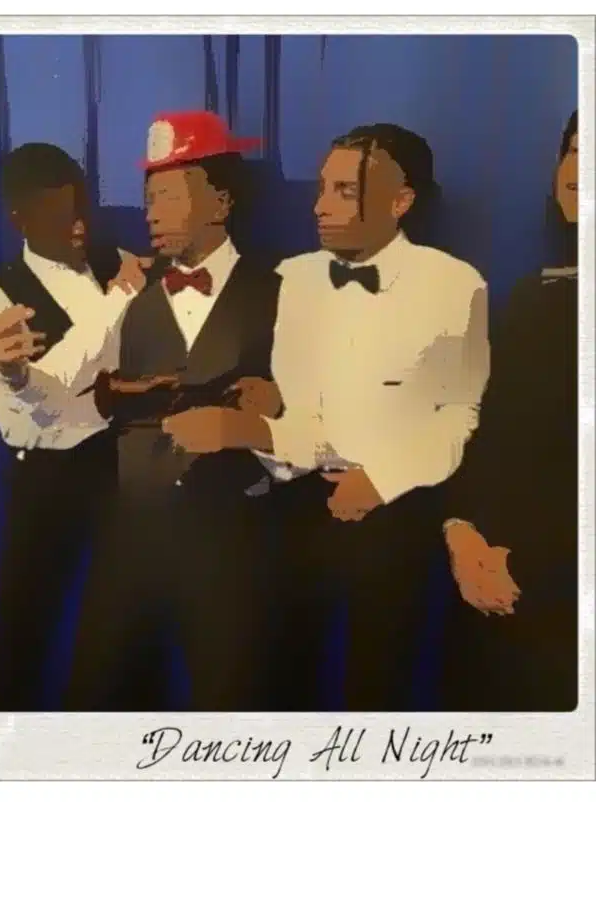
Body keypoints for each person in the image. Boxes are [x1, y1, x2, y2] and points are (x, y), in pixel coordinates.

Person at [170, 123, 491, 711]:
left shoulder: (455, 285)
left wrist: (382, 481)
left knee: (378, 691)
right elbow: (291, 405)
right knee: (275, 689)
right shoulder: (290, 279)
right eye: (322, 188)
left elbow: (459, 414)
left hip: (394, 518)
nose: (319, 206)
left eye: (344, 190)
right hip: (289, 510)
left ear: (400, 200)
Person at [63, 111, 283, 712]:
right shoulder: (124, 291)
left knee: (232, 706)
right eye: (148, 199)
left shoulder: (281, 293)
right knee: (98, 703)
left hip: (232, 545)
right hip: (129, 539)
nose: (152, 214)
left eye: (169, 196)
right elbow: (67, 393)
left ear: (221, 201)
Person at [0, 143, 149, 711]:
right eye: (57, 215)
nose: (77, 227)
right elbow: (47, 398)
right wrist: (118, 301)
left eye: (80, 209)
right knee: (26, 623)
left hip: (121, 465)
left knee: (124, 620)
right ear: (19, 219)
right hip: (48, 476)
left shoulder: (117, 263)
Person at [443, 111, 579, 711]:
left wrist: (525, 561)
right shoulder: (531, 296)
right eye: (573, 150)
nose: (577, 169)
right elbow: (487, 427)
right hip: (486, 587)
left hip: (557, 594)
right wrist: (460, 530)